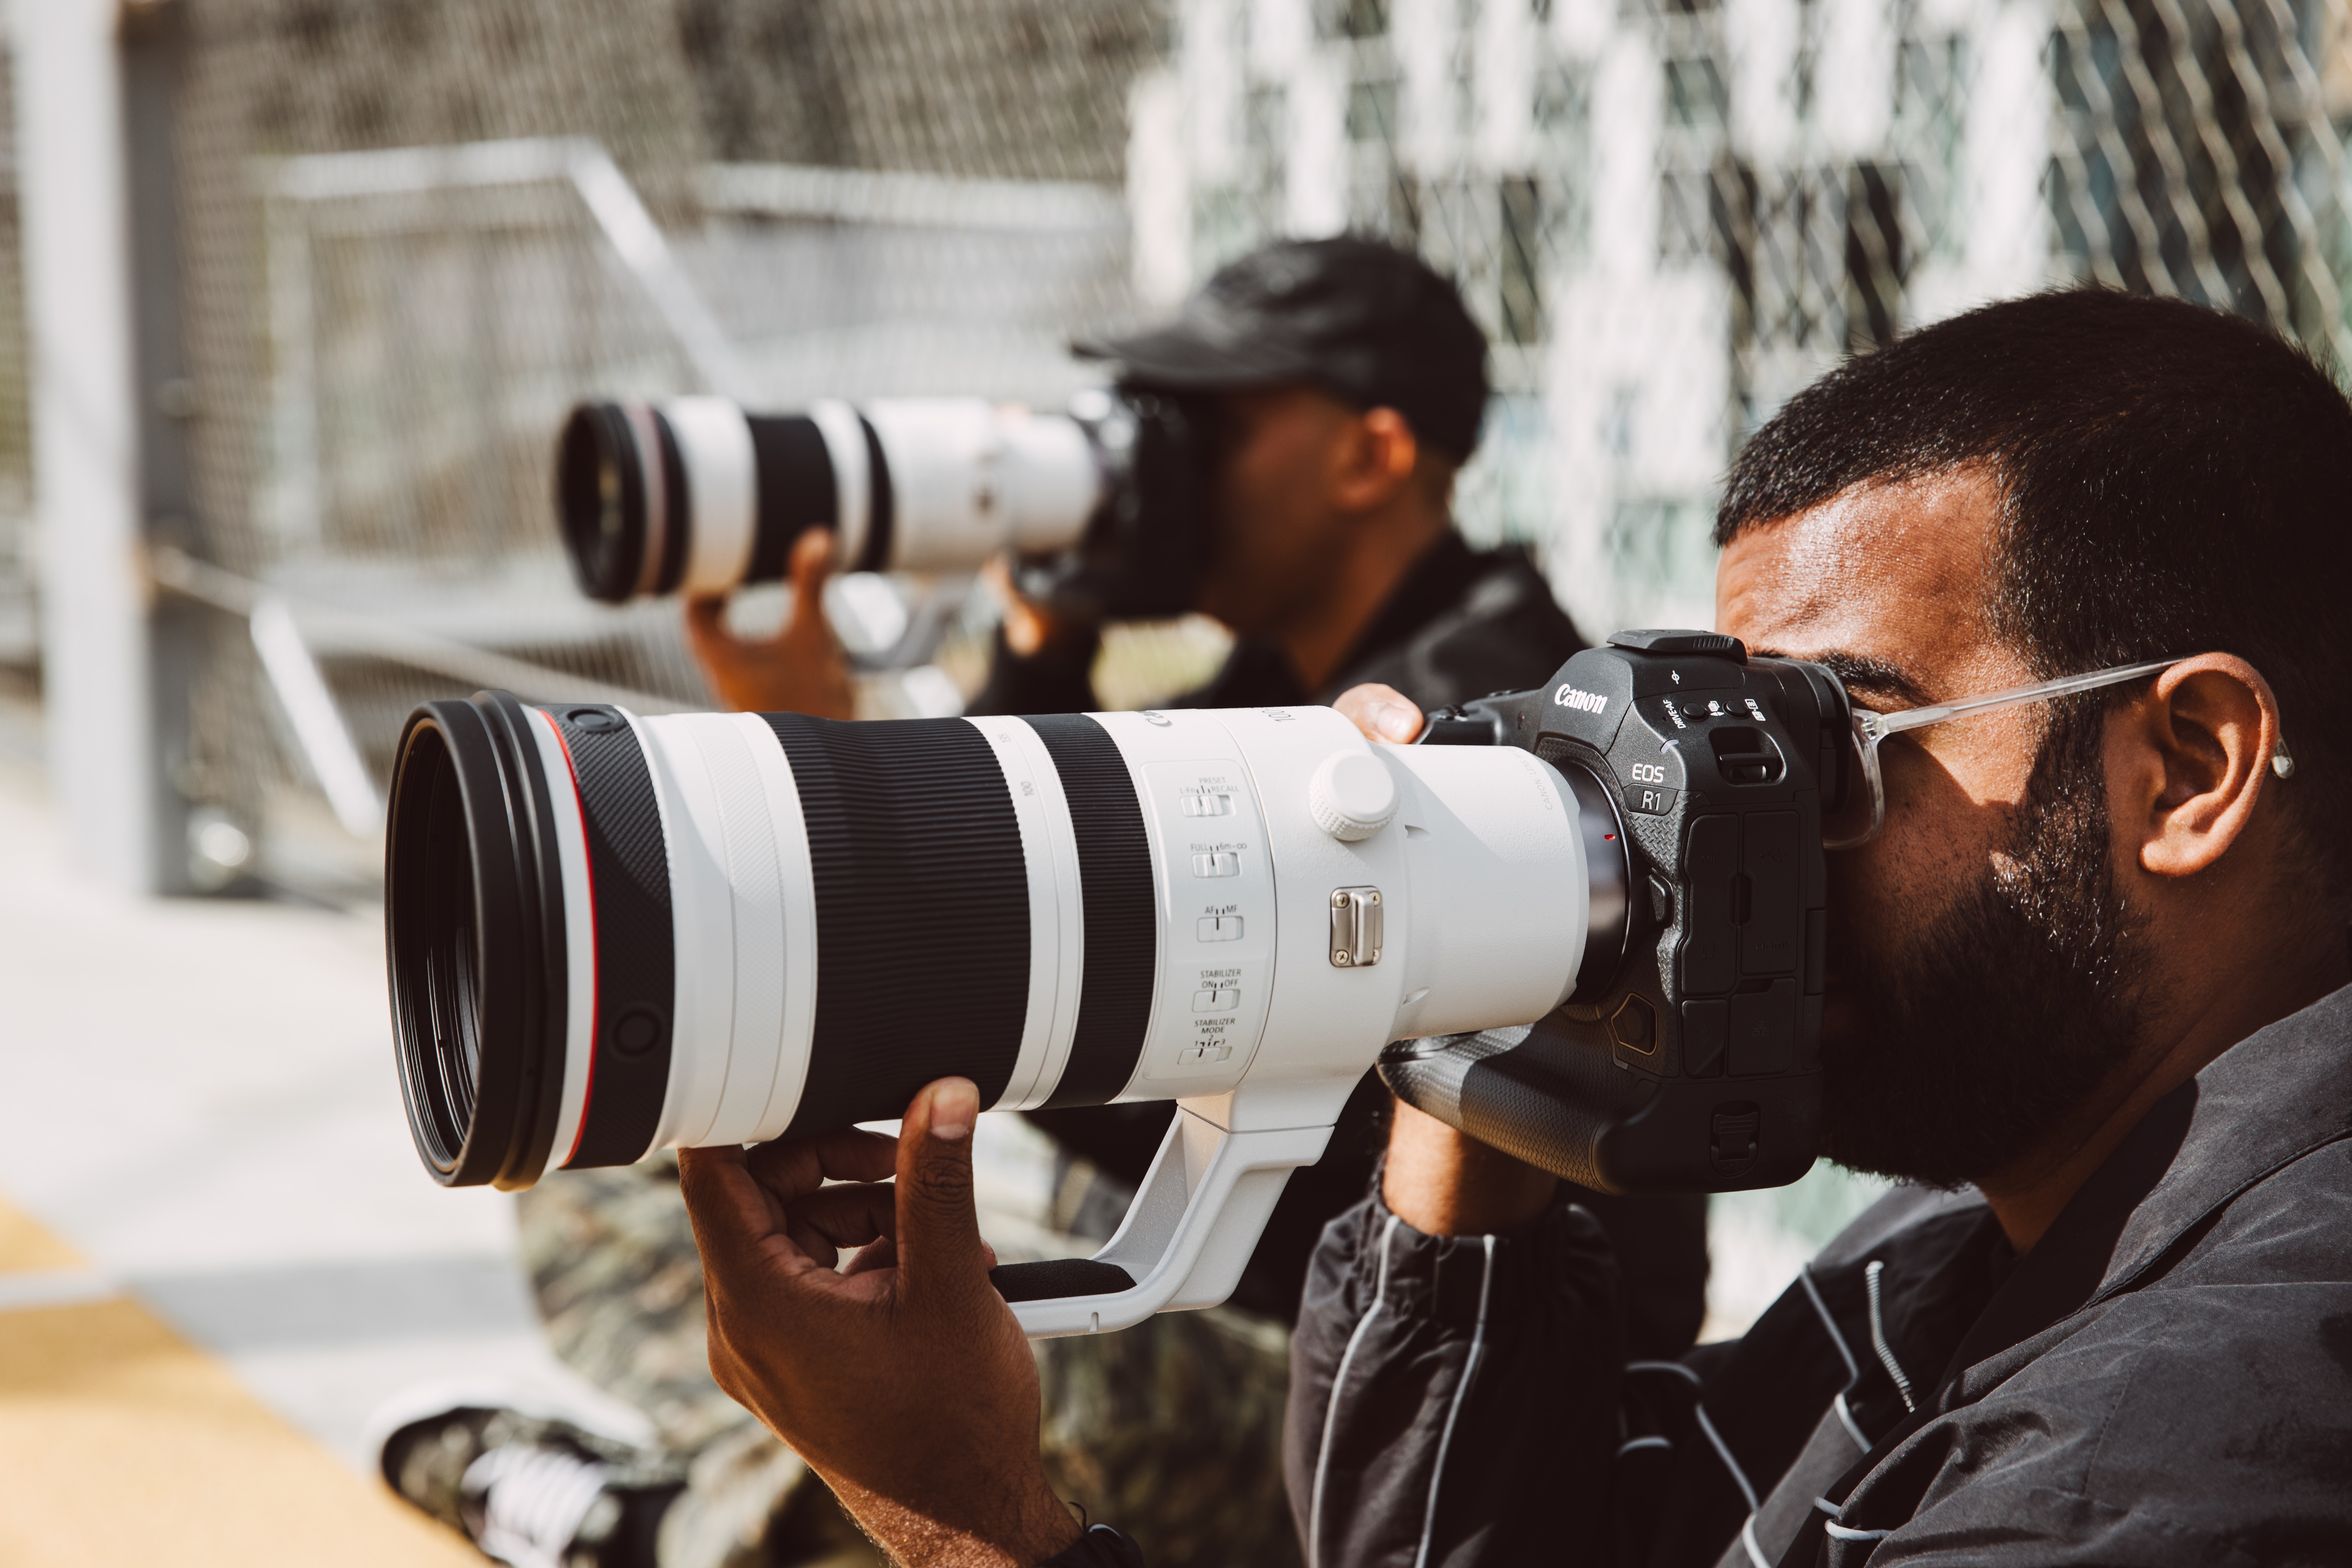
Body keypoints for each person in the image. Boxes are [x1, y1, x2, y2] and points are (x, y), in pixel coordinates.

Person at [667, 286, 2352, 1567]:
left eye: (1824, 747)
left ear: (2185, 770)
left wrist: (970, 1514)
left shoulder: (2195, 1429)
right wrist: (1466, 1021)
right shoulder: (1988, 1227)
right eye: (1723, 737)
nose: (1735, 830)